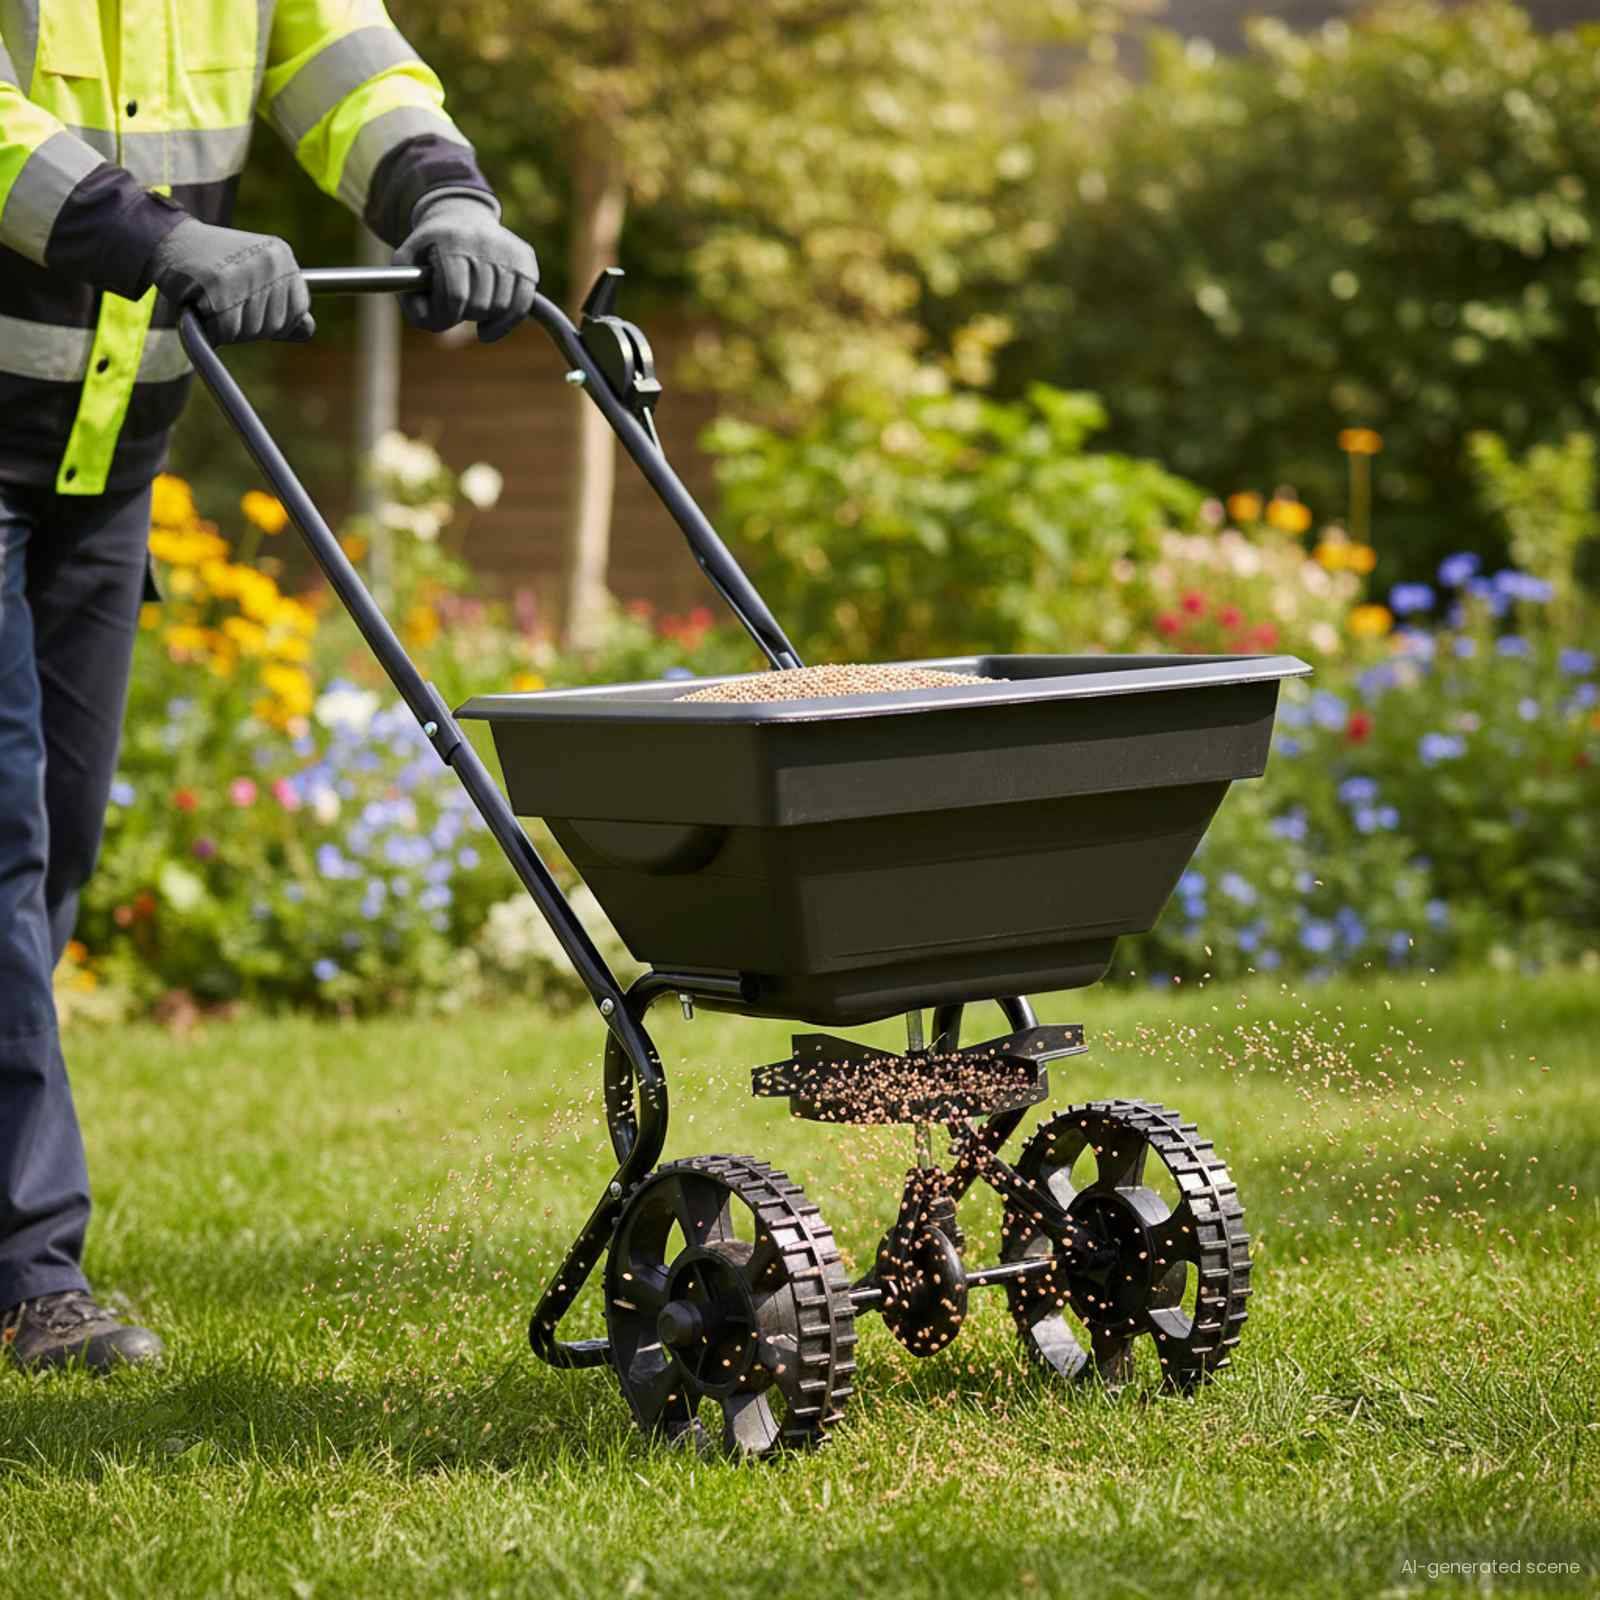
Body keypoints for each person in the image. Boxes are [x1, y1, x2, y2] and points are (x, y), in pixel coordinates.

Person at [0, 1, 539, 1372]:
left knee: (49, 850)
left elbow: (337, 61)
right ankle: (27, 1274)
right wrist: (162, 237)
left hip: (105, 448)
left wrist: (447, 199)